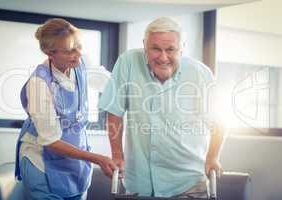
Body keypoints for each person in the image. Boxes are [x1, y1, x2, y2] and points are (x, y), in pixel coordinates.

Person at [99, 17, 223, 198]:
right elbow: (114, 112)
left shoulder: (199, 73)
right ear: (145, 45)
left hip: (187, 183)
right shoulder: (128, 62)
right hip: (139, 183)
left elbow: (219, 122)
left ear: (182, 48)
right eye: (155, 49)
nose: (163, 57)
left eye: (170, 49)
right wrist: (117, 154)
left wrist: (212, 156)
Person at [15, 18, 117, 200]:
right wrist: (98, 158)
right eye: (70, 50)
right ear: (49, 52)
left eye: (78, 47)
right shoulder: (39, 83)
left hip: (75, 160)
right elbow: (51, 141)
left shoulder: (81, 63)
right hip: (42, 161)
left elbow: (112, 85)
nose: (77, 54)